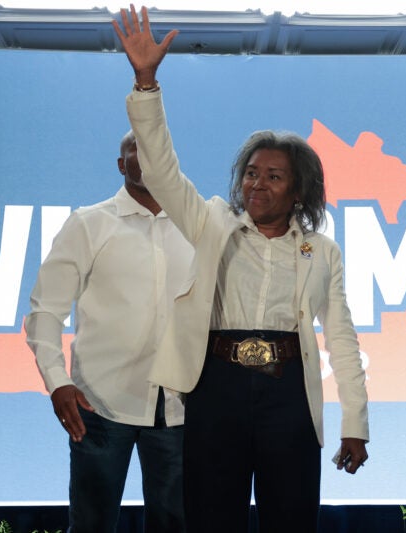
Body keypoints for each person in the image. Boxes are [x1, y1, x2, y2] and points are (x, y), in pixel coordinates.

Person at [112, 7, 370, 532]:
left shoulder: (320, 251)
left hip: (290, 397)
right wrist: (146, 83)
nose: (258, 184)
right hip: (218, 389)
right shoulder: (211, 223)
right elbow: (161, 170)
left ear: (299, 191)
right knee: (210, 520)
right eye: (251, 173)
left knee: (291, 520)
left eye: (274, 176)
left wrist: (355, 423)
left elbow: (340, 338)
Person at [25, 130, 193, 532]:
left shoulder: (196, 226)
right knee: (91, 524)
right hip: (99, 405)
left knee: (176, 523)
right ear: (122, 165)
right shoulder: (88, 224)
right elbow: (45, 311)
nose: (150, 155)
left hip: (179, 405)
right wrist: (57, 383)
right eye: (137, 149)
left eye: (160, 148)